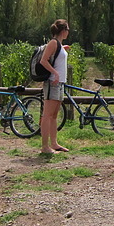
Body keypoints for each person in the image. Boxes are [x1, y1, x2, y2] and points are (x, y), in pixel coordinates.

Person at [39, 19, 71, 154]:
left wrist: (62, 50)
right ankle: (45, 147)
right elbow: (43, 60)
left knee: (53, 116)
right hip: (52, 83)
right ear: (63, 31)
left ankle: (54, 143)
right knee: (47, 115)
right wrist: (55, 73)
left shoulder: (58, 44)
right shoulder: (53, 43)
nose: (68, 32)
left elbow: (55, 57)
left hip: (59, 84)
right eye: (68, 29)